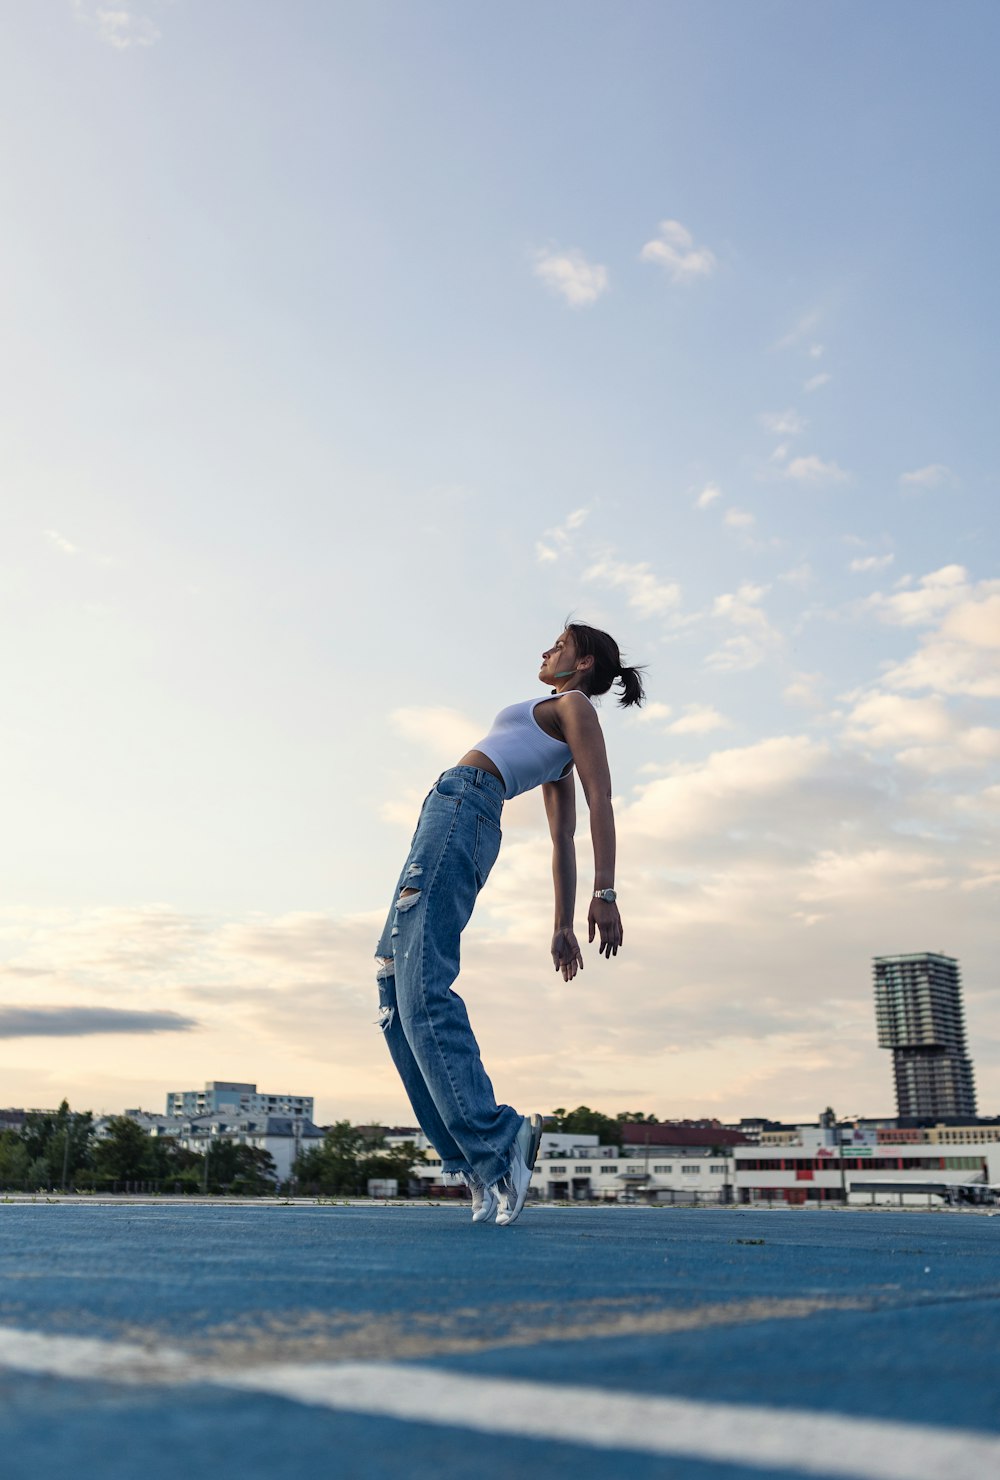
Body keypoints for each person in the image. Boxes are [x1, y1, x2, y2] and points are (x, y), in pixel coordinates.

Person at [374, 621, 646, 1226]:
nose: (546, 651)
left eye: (559, 645)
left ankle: (501, 1143)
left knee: (422, 988)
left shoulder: (573, 706)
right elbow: (560, 841)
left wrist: (605, 893)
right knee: (395, 987)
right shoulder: (553, 727)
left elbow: (600, 803)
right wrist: (561, 924)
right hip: (449, 810)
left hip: (464, 805)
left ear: (581, 667)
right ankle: (474, 1161)